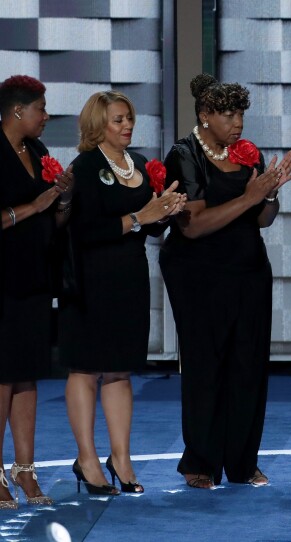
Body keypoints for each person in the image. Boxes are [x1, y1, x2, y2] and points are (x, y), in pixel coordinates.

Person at [160, 74, 291, 489]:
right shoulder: (184, 155)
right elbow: (194, 225)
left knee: (248, 366)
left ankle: (242, 462)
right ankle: (200, 461)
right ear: (205, 115)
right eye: (228, 114)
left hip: (248, 268)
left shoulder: (247, 153)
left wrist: (270, 195)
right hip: (197, 272)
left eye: (240, 114)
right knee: (205, 365)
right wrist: (251, 197)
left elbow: (261, 219)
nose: (237, 123)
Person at [60, 91, 186, 495]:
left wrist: (164, 212)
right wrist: (139, 217)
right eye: (118, 120)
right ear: (98, 124)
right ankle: (87, 459)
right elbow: (84, 232)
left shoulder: (137, 164)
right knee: (86, 367)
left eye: (129, 118)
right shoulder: (85, 166)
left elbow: (146, 227)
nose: (127, 125)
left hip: (129, 278)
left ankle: (121, 458)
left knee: (119, 369)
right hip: (90, 279)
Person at [0, 75, 73, 508]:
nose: (45, 117)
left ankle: (25, 470)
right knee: (2, 376)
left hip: (33, 276)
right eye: (40, 109)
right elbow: (24, 213)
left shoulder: (39, 152)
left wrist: (62, 201)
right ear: (16, 110)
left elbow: (50, 221)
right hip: (2, 279)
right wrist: (35, 206)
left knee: (27, 375)